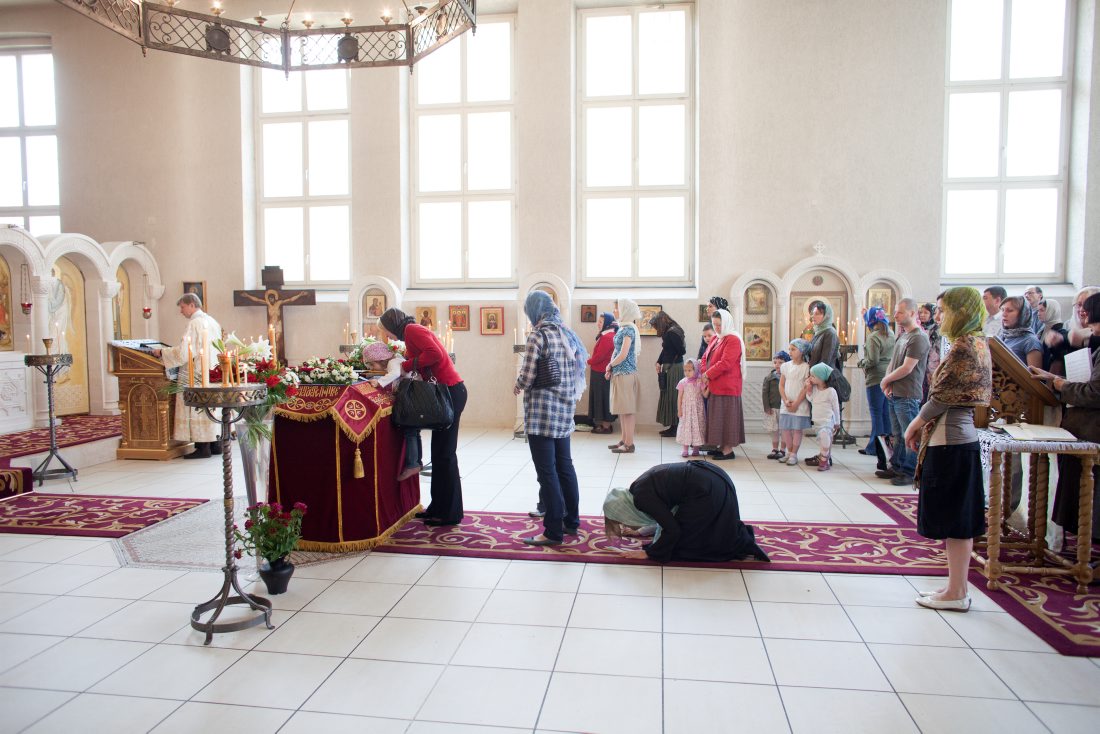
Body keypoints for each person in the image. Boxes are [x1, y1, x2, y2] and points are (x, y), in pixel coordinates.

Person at [903, 286, 992, 612]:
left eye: (943, 310)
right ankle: (956, 585)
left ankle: (957, 592)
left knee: (955, 520)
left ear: (961, 311)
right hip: (954, 440)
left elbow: (942, 396)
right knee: (956, 520)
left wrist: (914, 424)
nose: (937, 316)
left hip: (952, 442)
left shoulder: (965, 347)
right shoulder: (974, 342)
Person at [514, 290, 588, 546]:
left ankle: (553, 531)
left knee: (547, 473)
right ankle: (571, 522)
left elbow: (527, 374)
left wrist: (518, 384)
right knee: (565, 467)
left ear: (535, 311)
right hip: (565, 409)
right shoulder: (566, 333)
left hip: (542, 413)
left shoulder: (538, 335)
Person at [380, 307, 466, 526]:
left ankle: (450, 514)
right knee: (438, 454)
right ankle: (437, 507)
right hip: (447, 391)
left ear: (393, 324)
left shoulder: (411, 330)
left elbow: (434, 354)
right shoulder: (411, 332)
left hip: (450, 392)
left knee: (445, 454)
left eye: (386, 331)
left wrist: (405, 366)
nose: (387, 335)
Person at [1029, 291, 1100, 543]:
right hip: (1080, 426)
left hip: (1092, 429)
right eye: (1078, 306)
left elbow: (1095, 392)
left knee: (1090, 496)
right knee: (1075, 490)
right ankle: (1080, 543)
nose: (1084, 315)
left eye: (1088, 310)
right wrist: (1053, 379)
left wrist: (1060, 385)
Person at [602, 462, 769, 563]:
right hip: (715, 477)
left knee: (685, 545)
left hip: (705, 491)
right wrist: (641, 532)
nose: (625, 521)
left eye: (622, 519)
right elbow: (664, 516)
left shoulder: (642, 499)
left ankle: (738, 543)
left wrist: (649, 553)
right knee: (700, 529)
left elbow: (671, 528)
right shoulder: (637, 487)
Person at [151, 294, 222, 459]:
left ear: (191, 305)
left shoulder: (195, 323)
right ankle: (215, 444)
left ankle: (202, 448)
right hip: (211, 371)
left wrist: (162, 352)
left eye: (182, 307)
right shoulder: (211, 321)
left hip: (195, 372)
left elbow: (185, 352)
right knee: (209, 407)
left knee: (196, 407)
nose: (181, 311)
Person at [879, 298, 930, 486]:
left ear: (912, 313)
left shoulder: (919, 337)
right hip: (895, 391)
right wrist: (888, 384)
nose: (895, 315)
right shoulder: (903, 335)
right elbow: (893, 363)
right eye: (895, 312)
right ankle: (898, 466)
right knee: (897, 432)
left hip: (908, 393)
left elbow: (908, 368)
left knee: (910, 433)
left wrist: (885, 380)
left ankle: (910, 471)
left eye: (899, 312)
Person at [362, 340, 423, 482]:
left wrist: (379, 382)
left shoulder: (392, 362)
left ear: (380, 359)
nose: (372, 367)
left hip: (411, 399)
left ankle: (413, 464)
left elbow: (395, 373)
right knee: (414, 431)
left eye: (372, 364)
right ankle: (417, 462)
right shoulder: (397, 358)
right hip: (415, 397)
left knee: (410, 432)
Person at [700, 309, 745, 461]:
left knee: (727, 418)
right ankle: (721, 446)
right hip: (715, 384)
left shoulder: (733, 339)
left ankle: (728, 450)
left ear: (727, 323)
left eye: (719, 325)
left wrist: (708, 374)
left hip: (728, 386)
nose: (717, 328)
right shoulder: (716, 339)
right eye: (714, 325)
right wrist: (704, 373)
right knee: (717, 418)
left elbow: (726, 363)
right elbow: (705, 357)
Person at [859, 306, 896, 467]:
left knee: (876, 414)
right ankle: (887, 448)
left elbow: (872, 360)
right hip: (889, 376)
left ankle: (875, 447)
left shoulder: (874, 336)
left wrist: (861, 362)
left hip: (875, 378)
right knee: (886, 413)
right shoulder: (891, 333)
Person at [606, 298, 642, 454]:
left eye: (616, 308)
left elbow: (623, 353)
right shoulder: (622, 328)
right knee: (622, 409)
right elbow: (616, 352)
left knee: (627, 410)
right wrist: (611, 368)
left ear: (625, 310)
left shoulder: (628, 330)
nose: (614, 311)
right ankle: (623, 440)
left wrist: (610, 365)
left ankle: (629, 443)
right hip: (619, 372)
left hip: (626, 373)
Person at [651, 311, 686, 437]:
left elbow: (681, 350)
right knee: (669, 395)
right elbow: (666, 349)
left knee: (673, 396)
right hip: (670, 367)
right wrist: (659, 362)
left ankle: (675, 427)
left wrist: (664, 361)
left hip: (674, 368)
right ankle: (673, 426)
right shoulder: (670, 332)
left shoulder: (672, 333)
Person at [778, 338, 812, 466]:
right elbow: (781, 385)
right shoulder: (785, 366)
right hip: (786, 403)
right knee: (786, 429)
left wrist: (797, 403)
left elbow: (805, 388)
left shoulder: (806, 367)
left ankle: (794, 454)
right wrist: (785, 399)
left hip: (800, 404)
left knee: (797, 430)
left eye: (793, 349)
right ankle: (788, 452)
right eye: (789, 349)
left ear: (802, 351)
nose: (790, 352)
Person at [586, 311, 618, 434]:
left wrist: (587, 360)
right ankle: (604, 425)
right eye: (598, 322)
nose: (598, 324)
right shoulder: (607, 335)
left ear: (608, 323)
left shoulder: (608, 337)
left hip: (601, 372)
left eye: (601, 322)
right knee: (602, 398)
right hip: (601, 371)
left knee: (603, 399)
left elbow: (599, 356)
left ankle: (606, 426)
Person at [808, 363, 840, 471]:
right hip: (817, 421)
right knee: (825, 441)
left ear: (821, 377)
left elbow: (836, 408)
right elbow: (811, 399)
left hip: (827, 421)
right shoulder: (815, 389)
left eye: (813, 376)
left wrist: (837, 422)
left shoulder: (831, 391)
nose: (810, 378)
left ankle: (823, 461)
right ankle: (826, 458)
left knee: (825, 441)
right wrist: (808, 389)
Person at [998, 295, 1042, 368]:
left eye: (1010, 310)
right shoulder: (1002, 335)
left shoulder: (1030, 341)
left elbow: (1035, 376)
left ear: (1023, 314)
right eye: (1002, 310)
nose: (1004, 314)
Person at [675, 359, 707, 458]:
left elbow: (705, 395)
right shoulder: (682, 382)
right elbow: (679, 397)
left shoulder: (699, 381)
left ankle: (696, 448)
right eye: (685, 370)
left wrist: (709, 386)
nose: (687, 373)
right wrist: (679, 409)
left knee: (697, 427)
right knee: (686, 428)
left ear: (696, 370)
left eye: (689, 370)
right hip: (686, 410)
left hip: (697, 411)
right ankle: (685, 449)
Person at [763, 351, 790, 460]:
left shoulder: (789, 377)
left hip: (784, 408)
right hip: (773, 408)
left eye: (780, 362)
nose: (777, 365)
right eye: (775, 362)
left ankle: (783, 450)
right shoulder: (769, 377)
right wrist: (767, 407)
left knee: (784, 429)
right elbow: (765, 393)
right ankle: (775, 449)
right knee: (774, 430)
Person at [807, 300, 841, 371]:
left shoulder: (830, 333)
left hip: (824, 377)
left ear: (826, 316)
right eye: (813, 313)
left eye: (817, 314)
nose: (813, 316)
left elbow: (825, 361)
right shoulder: (818, 332)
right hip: (815, 374)